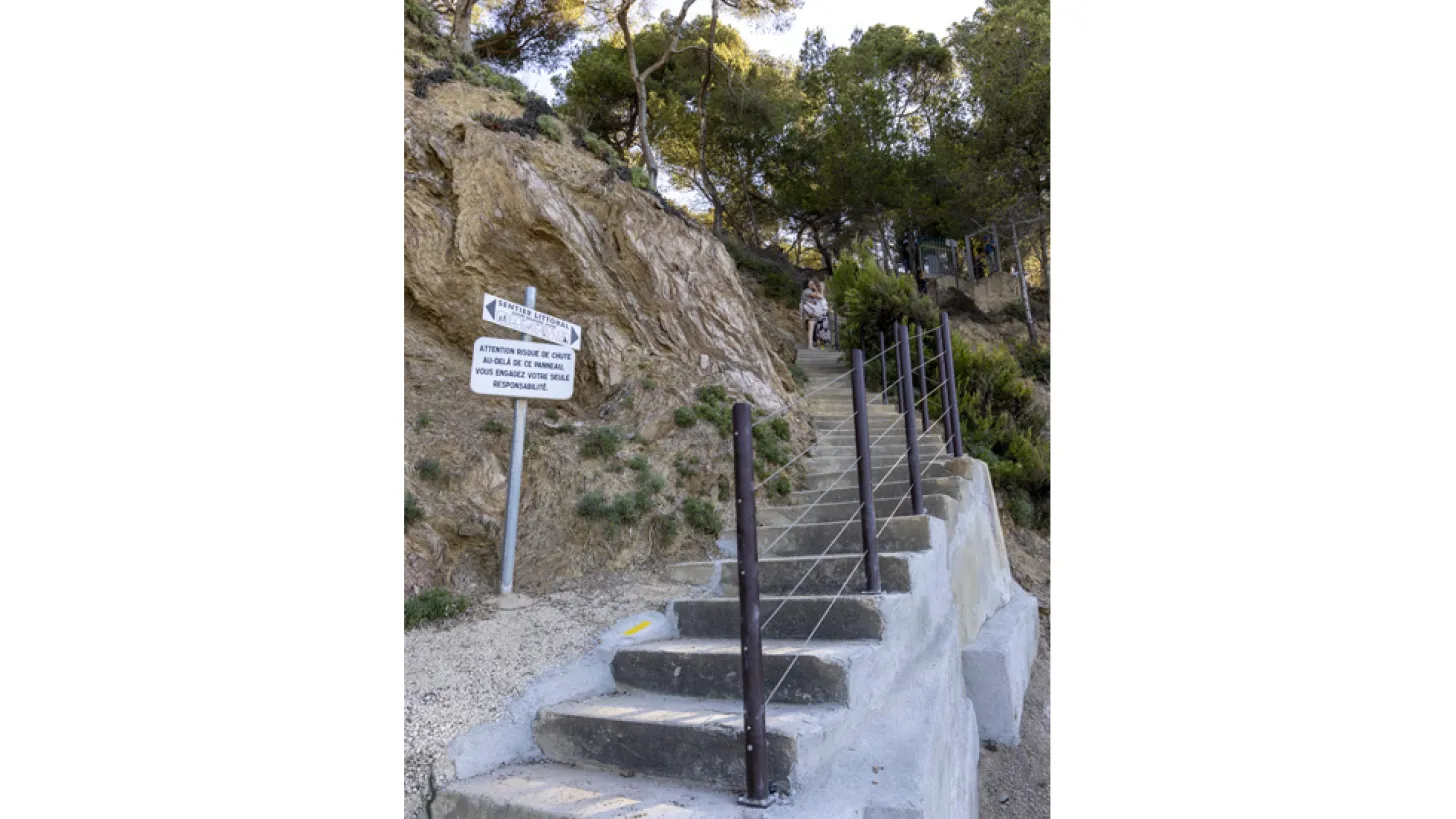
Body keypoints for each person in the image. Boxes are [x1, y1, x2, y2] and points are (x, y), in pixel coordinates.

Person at [800, 280, 829, 349]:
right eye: (811, 283)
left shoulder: (807, 291)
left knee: (810, 329)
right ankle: (810, 345)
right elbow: (820, 297)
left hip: (808, 312)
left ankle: (810, 344)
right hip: (809, 313)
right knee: (811, 328)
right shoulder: (807, 291)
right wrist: (817, 289)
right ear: (807, 284)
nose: (813, 285)